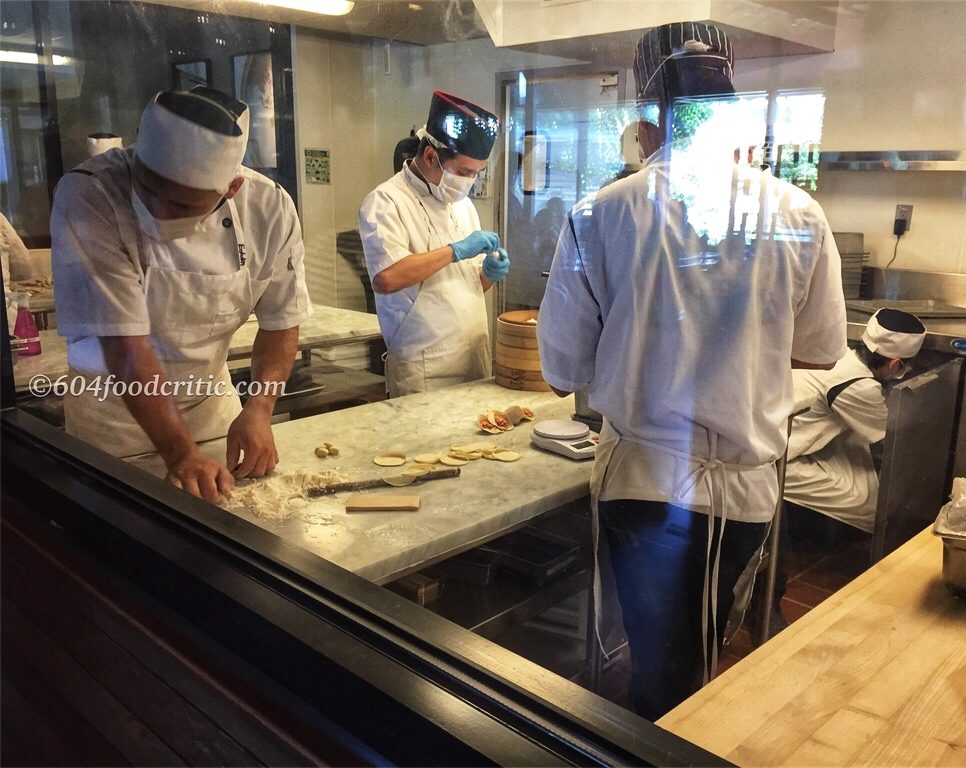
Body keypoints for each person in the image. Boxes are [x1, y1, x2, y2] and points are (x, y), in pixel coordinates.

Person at [537, 21, 847, 719]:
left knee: (663, 672)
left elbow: (561, 369)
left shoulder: (600, 213)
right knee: (689, 667)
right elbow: (821, 348)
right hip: (739, 491)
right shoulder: (798, 212)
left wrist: (646, 345)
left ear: (649, 117)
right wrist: (736, 345)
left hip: (641, 482)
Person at [51, 86, 312, 502]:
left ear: (231, 189)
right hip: (113, 422)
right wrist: (180, 452)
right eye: (149, 190)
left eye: (180, 204)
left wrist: (259, 409)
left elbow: (282, 321)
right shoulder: (90, 193)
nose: (158, 211)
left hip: (212, 411)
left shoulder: (270, 208)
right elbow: (126, 345)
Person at [359, 90, 509, 397]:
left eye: (477, 173)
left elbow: (467, 285)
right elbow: (386, 278)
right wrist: (454, 251)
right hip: (424, 367)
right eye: (465, 172)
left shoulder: (461, 204)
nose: (471, 181)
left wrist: (488, 274)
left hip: (474, 356)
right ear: (430, 156)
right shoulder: (387, 201)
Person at [785, 308, 927, 531]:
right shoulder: (859, 387)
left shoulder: (841, 354)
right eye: (906, 365)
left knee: (858, 456)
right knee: (872, 512)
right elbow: (891, 440)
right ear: (894, 364)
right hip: (778, 460)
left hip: (794, 441)